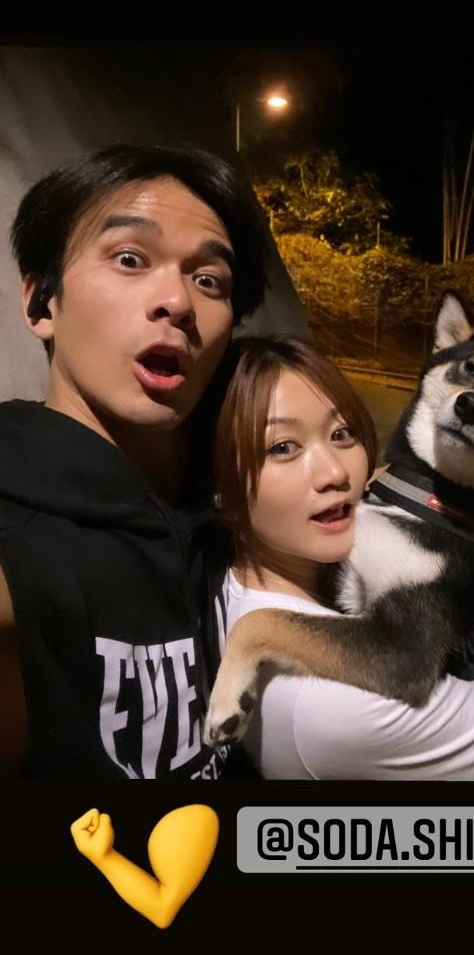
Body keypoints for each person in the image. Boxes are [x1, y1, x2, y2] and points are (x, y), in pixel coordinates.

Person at [213, 336, 474, 780]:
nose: (336, 473)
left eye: (341, 434)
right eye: (283, 447)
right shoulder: (324, 709)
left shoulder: (228, 573)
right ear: (219, 483)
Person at [0, 143, 268, 779]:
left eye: (210, 280)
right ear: (42, 303)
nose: (178, 301)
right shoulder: (18, 553)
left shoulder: (240, 510)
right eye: (129, 259)